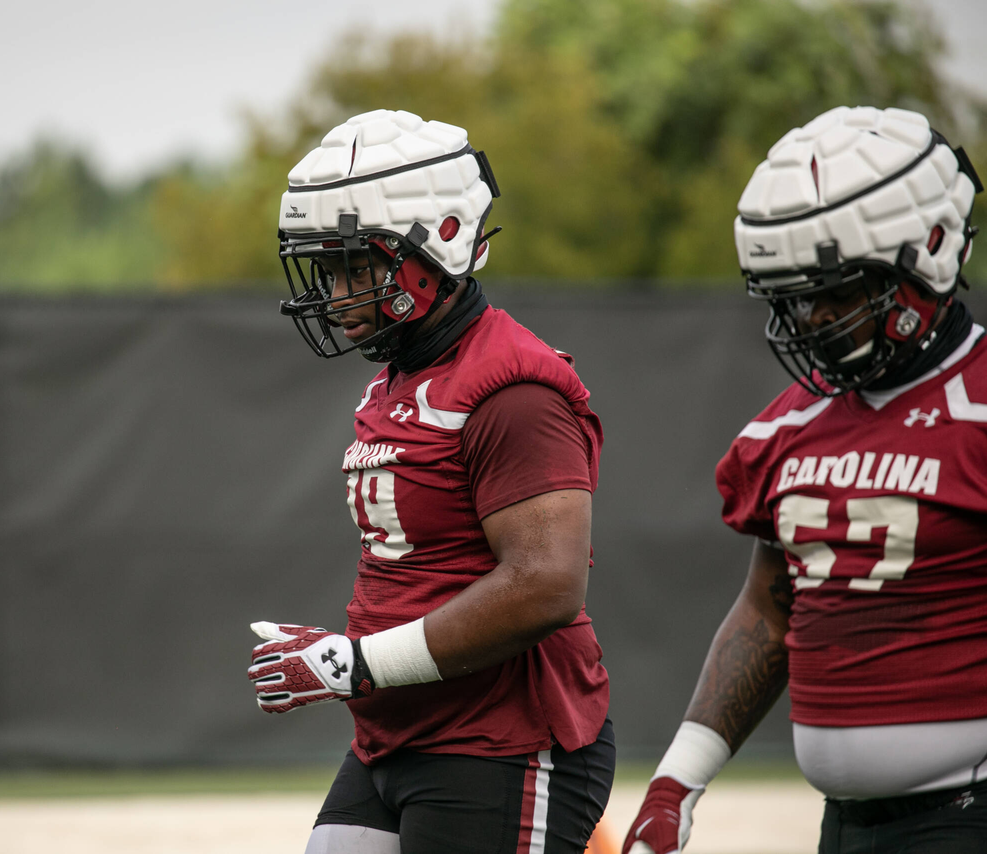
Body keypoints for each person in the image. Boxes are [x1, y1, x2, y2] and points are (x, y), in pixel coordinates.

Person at [247, 109, 615, 854]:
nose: (338, 292)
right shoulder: (401, 377)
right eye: (328, 268)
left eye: (358, 266)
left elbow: (547, 583)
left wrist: (353, 662)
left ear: (439, 243)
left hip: (502, 738)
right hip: (396, 732)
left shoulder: (512, 389)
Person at [622, 105, 987, 854]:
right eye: (795, 296)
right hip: (845, 828)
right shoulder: (788, 423)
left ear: (931, 252)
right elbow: (770, 606)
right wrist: (675, 784)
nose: (813, 319)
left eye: (839, 291)